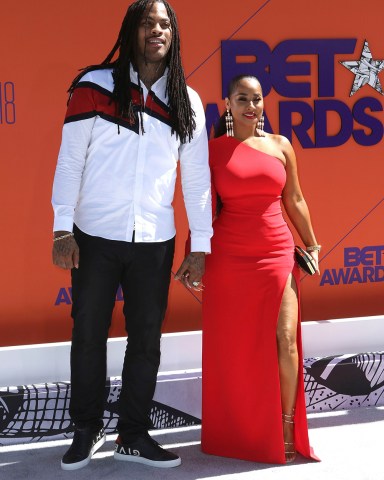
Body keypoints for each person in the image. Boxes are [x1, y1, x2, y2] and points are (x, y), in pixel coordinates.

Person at [51, 0, 212, 471]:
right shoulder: (94, 87)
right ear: (131, 30)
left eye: (164, 24)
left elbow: (197, 180)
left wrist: (200, 245)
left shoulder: (188, 101)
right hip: (94, 235)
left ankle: (133, 433)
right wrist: (62, 227)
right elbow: (70, 162)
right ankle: (85, 428)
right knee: (88, 335)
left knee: (146, 339)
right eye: (147, 23)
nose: (156, 31)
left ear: (174, 34)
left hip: (155, 242)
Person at [198, 74, 321, 464]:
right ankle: (241, 431)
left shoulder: (282, 146)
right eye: (242, 99)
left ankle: (285, 426)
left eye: (257, 99)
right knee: (237, 348)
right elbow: (202, 208)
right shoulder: (213, 152)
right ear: (227, 105)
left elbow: (296, 199)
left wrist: (313, 243)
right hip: (229, 257)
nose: (252, 106)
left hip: (276, 251)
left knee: (285, 339)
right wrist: (194, 253)